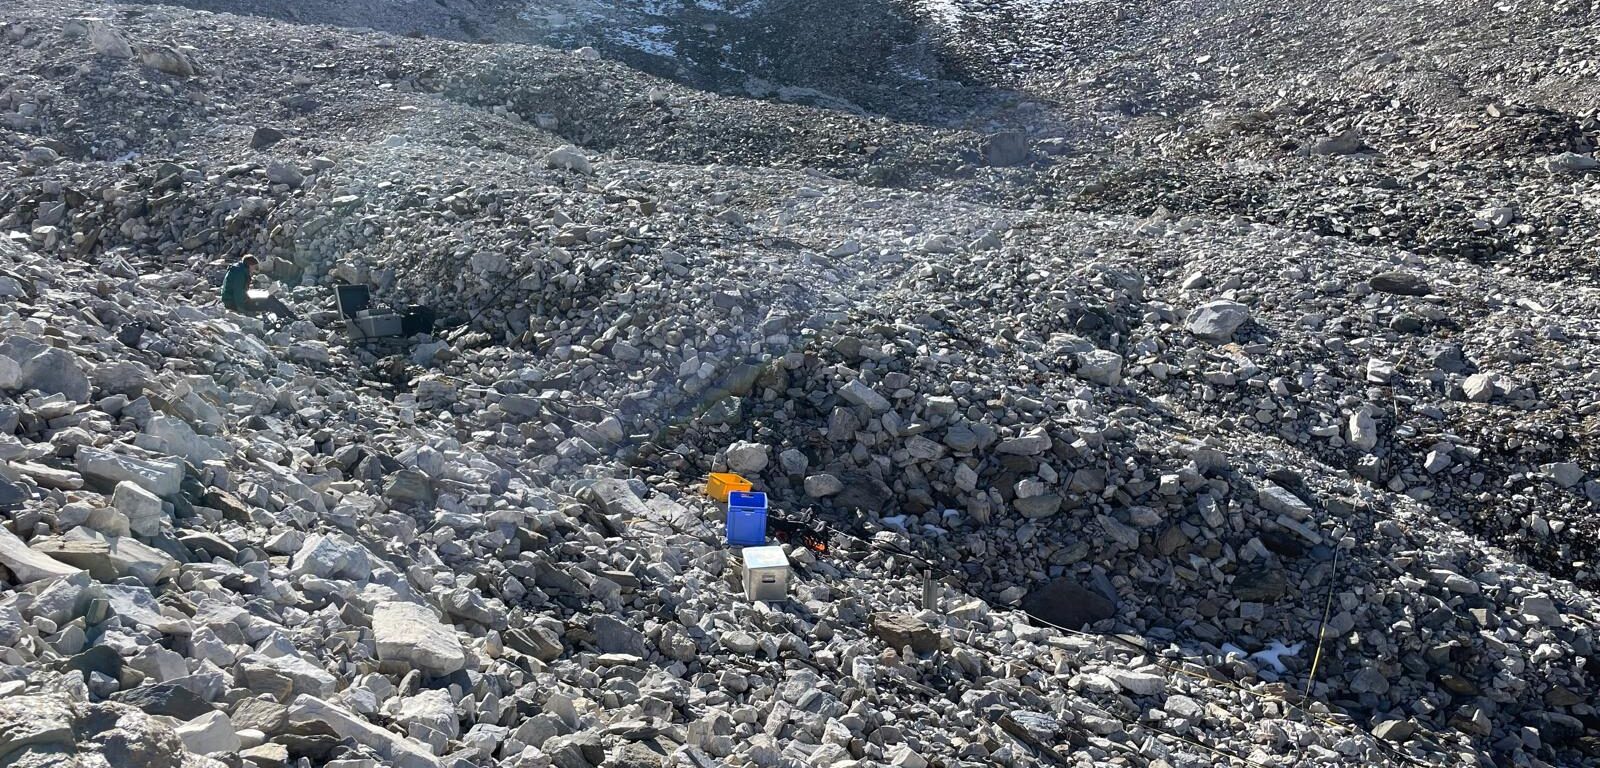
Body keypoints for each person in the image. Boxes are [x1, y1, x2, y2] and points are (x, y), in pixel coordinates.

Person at [221, 255, 298, 323]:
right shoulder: (240, 274)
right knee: (269, 301)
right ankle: (287, 319)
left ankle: (291, 316)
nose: (254, 270)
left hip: (234, 299)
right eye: (255, 267)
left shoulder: (239, 268)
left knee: (269, 297)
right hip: (233, 303)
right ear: (250, 265)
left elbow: (239, 290)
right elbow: (237, 294)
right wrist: (244, 311)